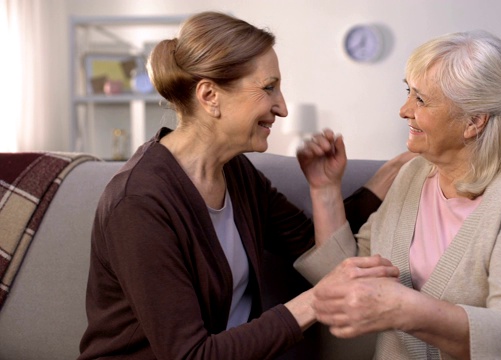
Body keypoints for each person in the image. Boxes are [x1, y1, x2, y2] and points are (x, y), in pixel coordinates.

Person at [78, 11, 408, 360]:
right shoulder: (139, 203)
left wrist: (336, 185)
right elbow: (191, 355)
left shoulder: (237, 174)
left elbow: (318, 250)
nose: (281, 107)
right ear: (209, 96)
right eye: (268, 88)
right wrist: (319, 298)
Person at [294, 30, 501, 359]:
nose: (404, 110)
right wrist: (324, 188)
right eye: (408, 92)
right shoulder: (413, 175)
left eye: (421, 99)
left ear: (473, 121)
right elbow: (347, 277)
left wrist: (405, 308)